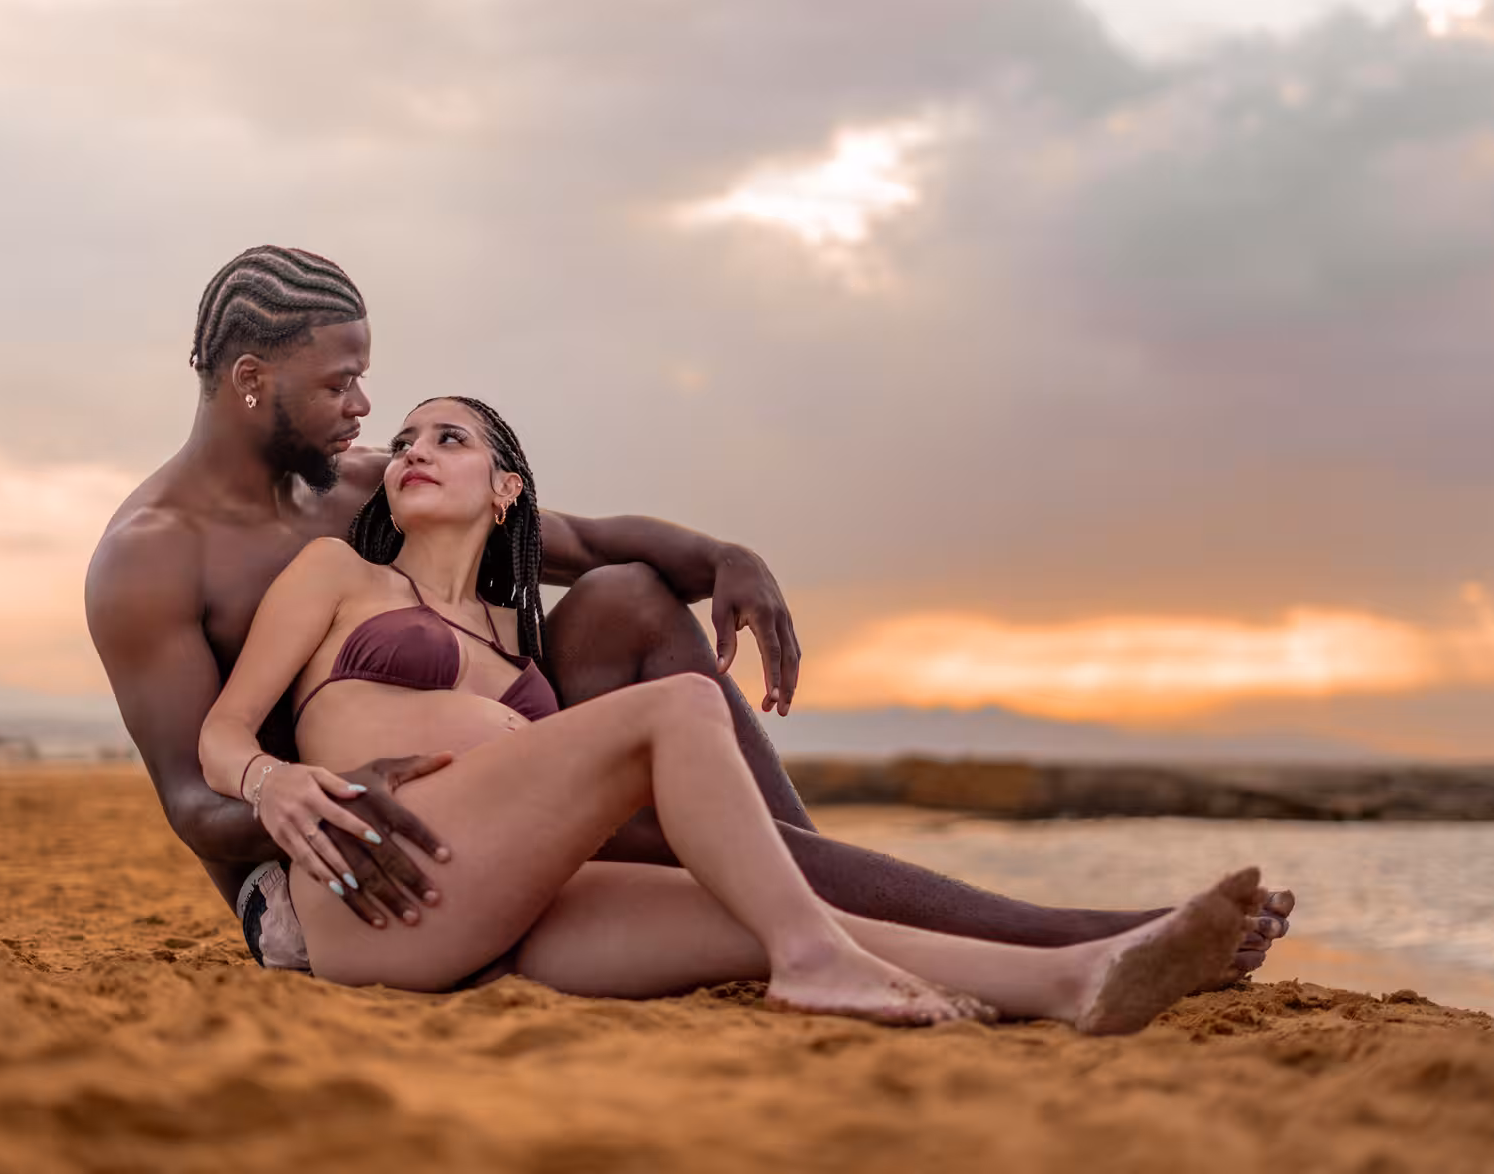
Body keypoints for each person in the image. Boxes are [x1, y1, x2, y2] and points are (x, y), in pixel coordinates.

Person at [84, 246, 1292, 984]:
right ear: (253, 379)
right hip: (350, 878)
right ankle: (1081, 928)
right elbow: (197, 799)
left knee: (627, 600)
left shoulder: (356, 489)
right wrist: (305, 794)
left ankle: (1006, 934)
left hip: (491, 801)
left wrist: (728, 560)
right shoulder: (154, 558)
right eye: (340, 381)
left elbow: (584, 541)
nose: (366, 405)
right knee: (687, 787)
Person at [196, 391, 1264, 1028]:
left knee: (742, 914)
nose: (415, 450)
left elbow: (616, 548)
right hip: (376, 894)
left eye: (449, 438)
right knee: (677, 711)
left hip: (496, 914)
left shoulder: (515, 633)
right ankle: (814, 960)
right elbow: (222, 733)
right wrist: (273, 781)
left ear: (507, 488)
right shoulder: (341, 576)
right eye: (406, 440)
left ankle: (1074, 977)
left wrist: (729, 558)